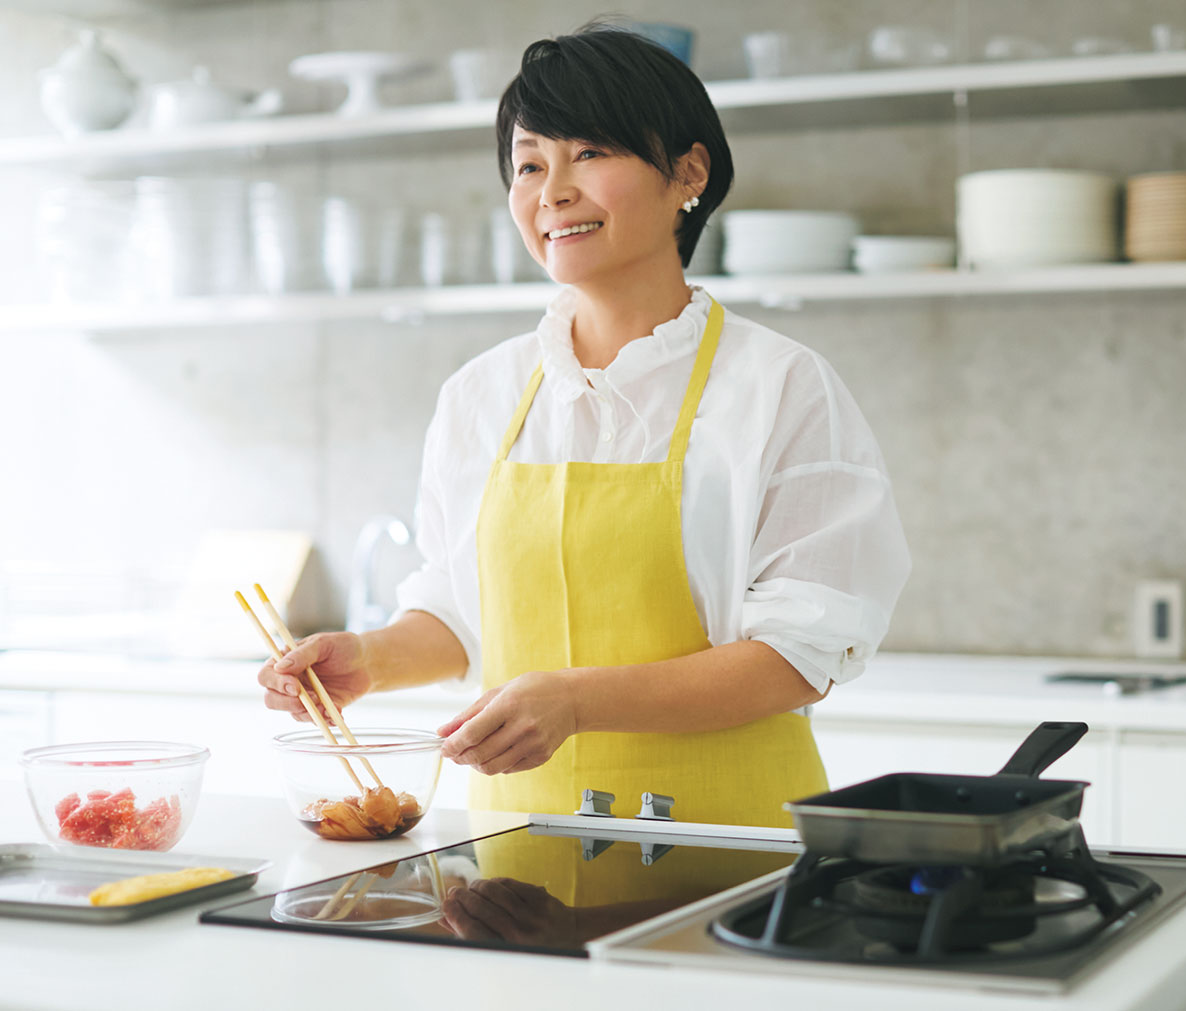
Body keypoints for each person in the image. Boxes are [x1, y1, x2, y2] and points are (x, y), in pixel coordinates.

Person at [258, 25, 911, 830]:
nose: (552, 192)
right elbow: (461, 614)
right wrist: (367, 659)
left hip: (729, 846)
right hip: (517, 843)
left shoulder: (780, 386)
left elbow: (799, 657)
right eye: (530, 164)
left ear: (689, 173)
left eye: (590, 152)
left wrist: (577, 700)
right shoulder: (482, 395)